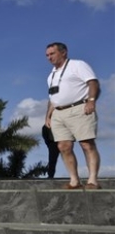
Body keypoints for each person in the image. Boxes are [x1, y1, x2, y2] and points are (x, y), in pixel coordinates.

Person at [44, 42, 101, 189]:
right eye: (47, 55)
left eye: (52, 54)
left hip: (79, 108)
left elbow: (93, 83)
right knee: (63, 146)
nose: (49, 57)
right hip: (58, 113)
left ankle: (92, 180)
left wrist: (91, 101)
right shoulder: (51, 75)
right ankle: (74, 181)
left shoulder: (77, 65)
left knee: (86, 144)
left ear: (63, 52)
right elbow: (53, 97)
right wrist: (48, 116)